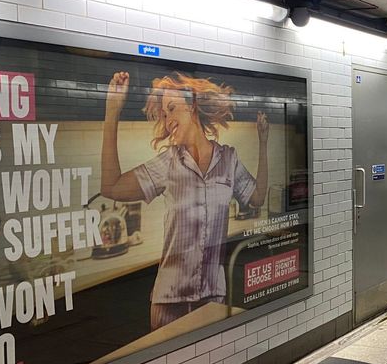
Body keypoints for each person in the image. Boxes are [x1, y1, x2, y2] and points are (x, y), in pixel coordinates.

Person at [101, 71, 269, 330]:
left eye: (171, 109)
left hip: (213, 297)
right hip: (170, 302)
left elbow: (257, 198)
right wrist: (112, 111)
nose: (167, 120)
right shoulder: (168, 163)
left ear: (192, 104)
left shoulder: (228, 160)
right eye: (164, 114)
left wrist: (263, 143)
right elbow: (111, 187)